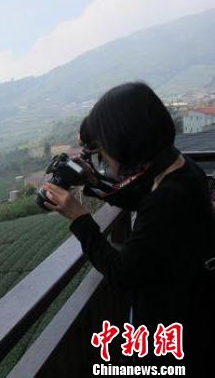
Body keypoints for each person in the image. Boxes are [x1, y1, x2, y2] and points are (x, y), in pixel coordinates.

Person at [43, 82, 214, 375]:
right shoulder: (177, 168)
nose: (104, 153)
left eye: (104, 144)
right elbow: (141, 199)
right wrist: (94, 182)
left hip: (175, 329)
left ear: (127, 139)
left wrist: (79, 218)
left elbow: (123, 273)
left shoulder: (168, 196)